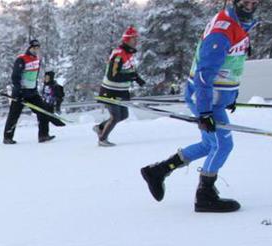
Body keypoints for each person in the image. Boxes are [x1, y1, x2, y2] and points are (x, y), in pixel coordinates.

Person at [141, 0, 259, 212]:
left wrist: (230, 96)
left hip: (215, 99)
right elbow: (204, 74)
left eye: (254, 2)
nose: (250, 6)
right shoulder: (222, 30)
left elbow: (232, 65)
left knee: (209, 145)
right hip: (206, 99)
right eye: (245, 1)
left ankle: (158, 171)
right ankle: (205, 195)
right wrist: (205, 112)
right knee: (222, 146)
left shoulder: (239, 23)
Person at [3, 39, 64, 144]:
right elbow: (15, 77)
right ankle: (7, 137)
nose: (36, 50)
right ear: (30, 47)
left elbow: (33, 76)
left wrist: (35, 89)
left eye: (37, 48)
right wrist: (18, 92)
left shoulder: (36, 59)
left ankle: (43, 135)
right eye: (34, 48)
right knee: (14, 115)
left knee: (43, 111)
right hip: (21, 92)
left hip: (32, 92)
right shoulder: (21, 59)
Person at [94, 26, 146, 147]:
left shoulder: (129, 54)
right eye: (134, 39)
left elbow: (130, 70)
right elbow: (113, 75)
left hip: (121, 91)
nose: (136, 41)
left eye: (136, 38)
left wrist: (137, 78)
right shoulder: (119, 54)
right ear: (127, 40)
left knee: (124, 115)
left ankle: (100, 127)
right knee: (115, 116)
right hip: (110, 90)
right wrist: (130, 77)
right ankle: (102, 139)